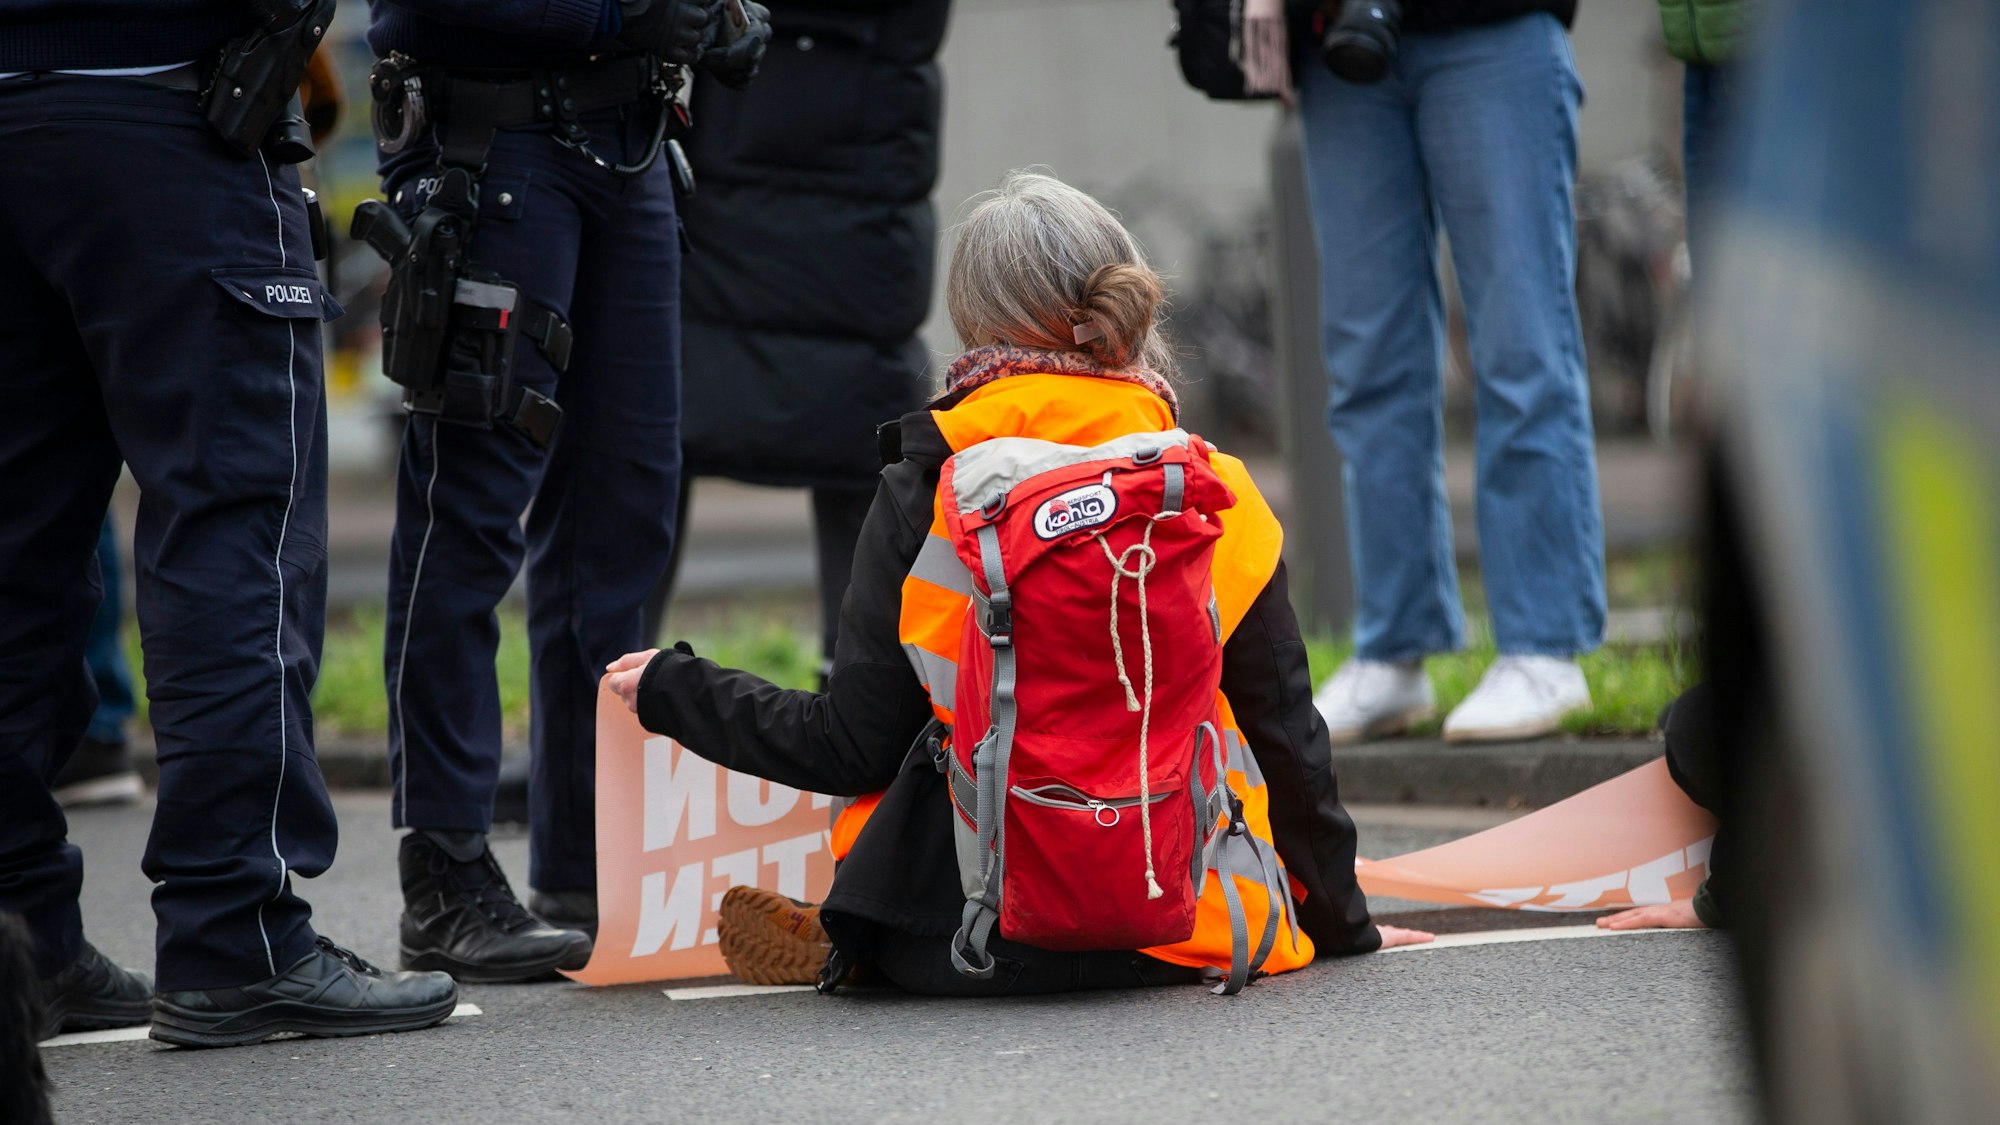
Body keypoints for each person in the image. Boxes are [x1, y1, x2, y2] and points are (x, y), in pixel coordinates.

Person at [606, 173, 1431, 994]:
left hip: (956, 937)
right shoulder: (1212, 489)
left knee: (930, 745)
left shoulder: (933, 482)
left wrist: (681, 689)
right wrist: (1343, 926)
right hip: (1179, 923)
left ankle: (854, 920)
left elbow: (849, 742)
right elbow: (1291, 744)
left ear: (972, 319)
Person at [0, 0, 457, 1047]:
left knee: (14, 542)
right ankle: (233, 932)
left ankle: (19, 940)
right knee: (232, 525)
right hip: (160, 95)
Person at [364, 0, 770, 982]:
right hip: (492, 143)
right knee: (466, 514)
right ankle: (445, 871)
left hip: (627, 142)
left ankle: (590, 859)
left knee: (621, 514)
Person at [1296, 0, 1610, 743]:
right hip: (1339, 44)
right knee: (1369, 363)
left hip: (1490, 27)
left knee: (1520, 345)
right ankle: (1394, 650)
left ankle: (1545, 647)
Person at [645, 0, 951, 683]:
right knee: (858, 424)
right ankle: (857, 691)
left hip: (744, 134)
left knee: (662, 429)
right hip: (869, 149)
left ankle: (606, 707)